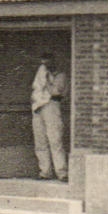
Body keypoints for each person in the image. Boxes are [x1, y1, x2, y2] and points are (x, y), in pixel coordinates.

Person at [30, 51, 69, 182]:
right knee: (40, 140)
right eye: (43, 63)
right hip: (38, 107)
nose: (45, 66)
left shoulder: (60, 76)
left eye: (47, 63)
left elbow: (55, 92)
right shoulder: (40, 75)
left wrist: (46, 79)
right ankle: (45, 171)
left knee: (55, 139)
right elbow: (36, 88)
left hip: (52, 106)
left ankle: (61, 172)